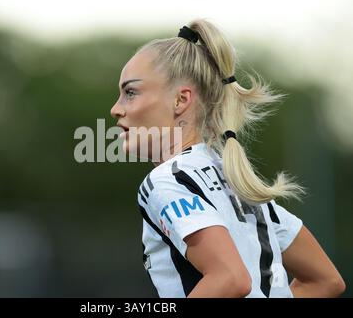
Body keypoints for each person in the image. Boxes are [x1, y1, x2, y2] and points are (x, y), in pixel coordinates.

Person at [110, 19, 345, 298]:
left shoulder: (167, 181)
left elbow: (230, 279)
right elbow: (325, 280)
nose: (116, 109)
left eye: (130, 92)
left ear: (180, 100)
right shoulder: (238, 182)